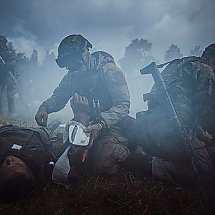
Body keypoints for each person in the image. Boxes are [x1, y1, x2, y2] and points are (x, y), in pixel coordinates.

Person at [35, 34, 131, 176]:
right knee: (63, 158)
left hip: (112, 125)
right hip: (84, 124)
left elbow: (123, 105)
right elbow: (59, 97)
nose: (72, 68)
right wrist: (44, 107)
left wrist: (101, 124)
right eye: (67, 65)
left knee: (101, 164)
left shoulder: (108, 70)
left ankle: (131, 154)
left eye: (75, 63)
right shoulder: (71, 76)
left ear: (86, 53)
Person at [133, 44, 215, 185]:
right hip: (174, 134)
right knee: (205, 172)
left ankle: (148, 154)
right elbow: (207, 113)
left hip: (151, 129)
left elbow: (182, 108)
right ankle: (149, 164)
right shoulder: (205, 70)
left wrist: (201, 134)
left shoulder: (178, 65)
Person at [0, 35, 16, 115]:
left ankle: (11, 112)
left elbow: (13, 63)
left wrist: (6, 65)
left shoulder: (8, 53)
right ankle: (1, 113)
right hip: (1, 76)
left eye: (1, 42)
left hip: (9, 76)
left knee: (10, 94)